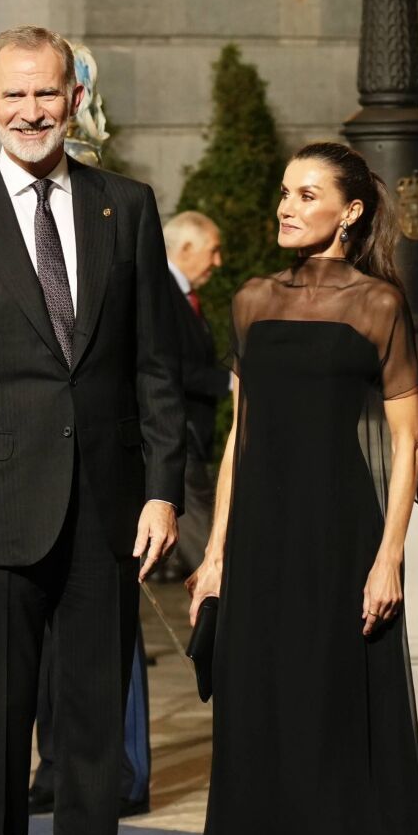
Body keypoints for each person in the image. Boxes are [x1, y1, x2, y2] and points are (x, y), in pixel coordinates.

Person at [0, 25, 184, 835]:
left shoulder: (125, 207)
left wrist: (163, 488)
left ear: (75, 100)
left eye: (46, 92)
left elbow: (154, 366)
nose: (31, 110)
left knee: (94, 730)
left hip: (106, 513)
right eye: (14, 94)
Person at [189, 142, 418, 835]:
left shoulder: (379, 304)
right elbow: (242, 433)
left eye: (305, 194)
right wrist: (214, 555)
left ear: (350, 211)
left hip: (339, 534)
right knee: (258, 703)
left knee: (329, 705)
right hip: (261, 538)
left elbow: (408, 443)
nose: (285, 207)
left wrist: (389, 556)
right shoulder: (252, 298)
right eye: (284, 193)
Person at [162, 209, 229, 579]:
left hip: (190, 440)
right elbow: (168, 367)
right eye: (213, 251)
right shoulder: (161, 291)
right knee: (211, 560)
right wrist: (233, 383)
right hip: (175, 438)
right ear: (187, 247)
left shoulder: (184, 295)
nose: (217, 262)